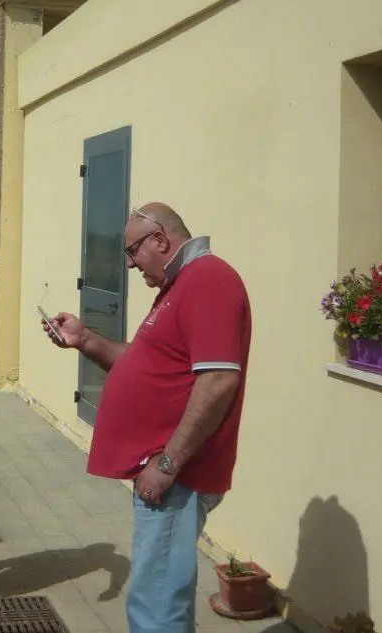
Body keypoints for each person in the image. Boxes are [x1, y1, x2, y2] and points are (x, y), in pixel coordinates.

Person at [42, 203, 251, 633]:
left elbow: (217, 381)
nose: (130, 262)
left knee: (156, 608)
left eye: (133, 250)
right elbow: (140, 362)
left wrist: (169, 462)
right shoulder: (178, 287)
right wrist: (83, 339)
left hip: (177, 475)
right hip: (164, 470)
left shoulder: (208, 279)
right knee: (157, 600)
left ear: (160, 239)